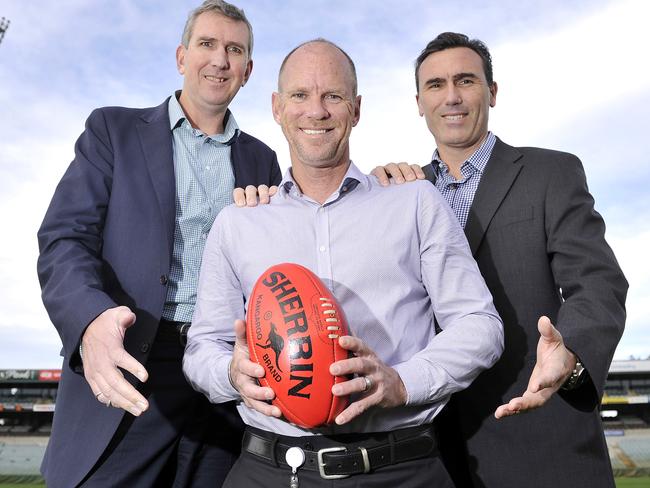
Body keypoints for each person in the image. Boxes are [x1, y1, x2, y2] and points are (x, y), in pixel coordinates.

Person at [183, 38, 504, 487]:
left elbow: (480, 324)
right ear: (277, 107)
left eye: (333, 96)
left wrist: (402, 383)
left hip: (401, 469)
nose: (316, 111)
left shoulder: (413, 202)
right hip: (270, 470)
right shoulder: (239, 222)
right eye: (300, 95)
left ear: (356, 109)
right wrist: (232, 375)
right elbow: (202, 349)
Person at [36, 1, 281, 486]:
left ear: (248, 71)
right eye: (207, 44)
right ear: (181, 56)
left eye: (235, 50)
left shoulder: (263, 161)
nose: (220, 60)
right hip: (139, 359)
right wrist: (90, 320)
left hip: (225, 372)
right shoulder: (114, 131)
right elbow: (65, 238)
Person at [372, 32, 628, 487]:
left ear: (491, 92)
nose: (451, 96)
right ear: (418, 101)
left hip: (540, 437)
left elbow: (598, 283)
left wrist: (569, 351)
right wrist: (368, 199)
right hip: (433, 450)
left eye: (465, 81)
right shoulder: (399, 195)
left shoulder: (550, 173)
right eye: (435, 85)